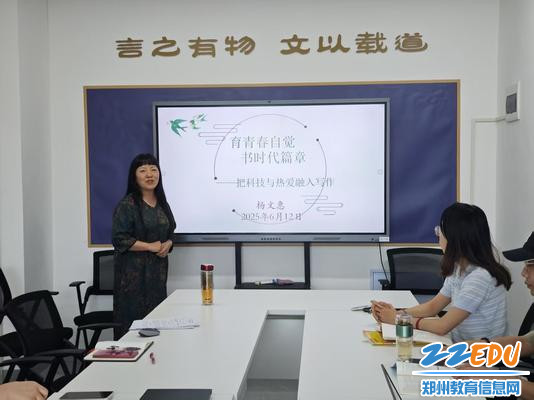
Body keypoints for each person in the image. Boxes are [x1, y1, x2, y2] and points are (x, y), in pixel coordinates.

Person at [372, 202, 512, 342]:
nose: (438, 234)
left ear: (455, 237)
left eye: (440, 230)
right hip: (460, 345)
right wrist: (399, 313)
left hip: (481, 353)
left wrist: (399, 319)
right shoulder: (459, 268)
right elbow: (432, 307)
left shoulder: (480, 277)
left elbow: (442, 326)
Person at [112, 153, 176, 338]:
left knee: (156, 325)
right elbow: (119, 239)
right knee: (133, 331)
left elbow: (171, 230)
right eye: (143, 170)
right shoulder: (128, 204)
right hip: (132, 279)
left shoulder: (162, 203)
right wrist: (150, 246)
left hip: (157, 276)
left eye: (153, 169)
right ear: (134, 176)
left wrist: (169, 243)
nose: (149, 174)